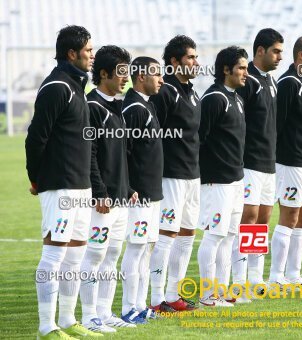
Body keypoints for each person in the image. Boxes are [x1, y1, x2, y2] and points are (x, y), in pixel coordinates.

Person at [26, 25, 102, 339]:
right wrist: (37, 179)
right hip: (59, 185)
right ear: (71, 53)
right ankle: (47, 325)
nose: (92, 56)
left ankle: (69, 320)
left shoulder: (75, 86)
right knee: (55, 254)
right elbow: (35, 139)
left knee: (75, 255)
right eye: (88, 50)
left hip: (81, 185)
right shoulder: (57, 87)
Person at [79, 45, 136, 332]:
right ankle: (89, 316)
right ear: (104, 74)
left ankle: (105, 311)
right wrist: (99, 192)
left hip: (120, 199)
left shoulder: (118, 107)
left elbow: (121, 154)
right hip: (101, 201)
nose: (126, 78)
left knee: (112, 255)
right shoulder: (91, 107)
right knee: (94, 255)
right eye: (121, 72)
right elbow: (88, 155)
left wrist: (128, 188)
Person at [148, 35, 201, 312]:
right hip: (171, 177)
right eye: (190, 57)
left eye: (195, 57)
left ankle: (173, 295)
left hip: (193, 176)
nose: (195, 62)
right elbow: (152, 136)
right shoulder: (164, 92)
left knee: (187, 234)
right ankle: (156, 299)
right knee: (166, 235)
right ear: (174, 61)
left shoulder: (192, 92)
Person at [230, 28, 284, 299]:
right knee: (247, 220)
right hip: (249, 163)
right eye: (276, 51)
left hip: (268, 164)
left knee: (262, 222)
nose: (280, 57)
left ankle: (254, 279)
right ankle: (238, 281)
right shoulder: (246, 80)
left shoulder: (272, 82)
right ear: (260, 51)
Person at [196, 46, 248, 307]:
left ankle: (223, 291)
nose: (245, 73)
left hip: (236, 180)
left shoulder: (237, 98)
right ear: (226, 69)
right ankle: (207, 294)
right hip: (217, 181)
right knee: (214, 236)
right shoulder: (214, 98)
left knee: (229, 236)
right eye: (241, 68)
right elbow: (199, 140)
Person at [268, 36, 302, 288]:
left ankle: (294, 274)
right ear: (301, 56)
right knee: (289, 217)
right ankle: (276, 275)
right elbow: (278, 124)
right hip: (291, 162)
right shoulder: (288, 82)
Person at [120, 57, 164, 323]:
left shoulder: (146, 106)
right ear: (140, 78)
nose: (161, 79)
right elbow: (123, 152)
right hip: (139, 195)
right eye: (156, 74)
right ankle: (129, 308)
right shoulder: (134, 109)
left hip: (152, 192)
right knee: (136, 248)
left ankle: (139, 304)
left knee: (147, 247)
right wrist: (130, 187)